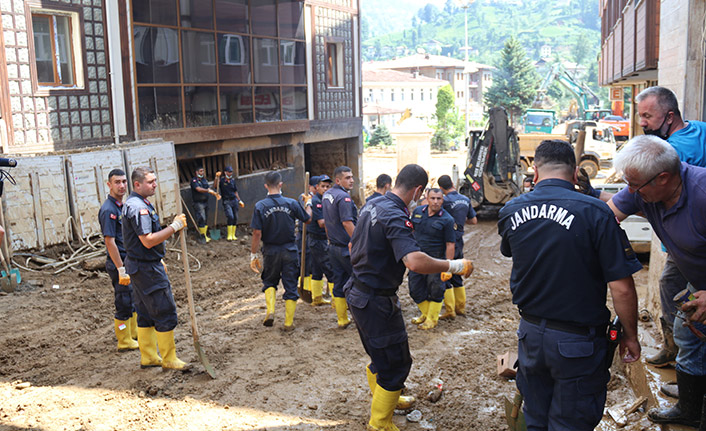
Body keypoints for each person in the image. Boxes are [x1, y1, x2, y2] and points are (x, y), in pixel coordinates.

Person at [498, 140, 642, 431]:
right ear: (576, 174)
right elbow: (622, 288)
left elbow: (511, 251)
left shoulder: (511, 210)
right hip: (577, 343)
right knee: (571, 423)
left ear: (534, 172)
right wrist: (630, 334)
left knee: (536, 419)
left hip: (530, 336)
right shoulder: (597, 213)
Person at [344, 164, 473, 431]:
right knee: (397, 363)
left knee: (379, 354)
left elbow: (351, 243)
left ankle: (388, 397)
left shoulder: (372, 205)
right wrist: (454, 266)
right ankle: (379, 422)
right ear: (417, 191)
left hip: (358, 292)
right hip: (376, 300)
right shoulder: (395, 215)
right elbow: (414, 261)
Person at [607, 135, 706, 428]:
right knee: (687, 333)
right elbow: (607, 216)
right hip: (696, 280)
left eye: (635, 185)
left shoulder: (702, 193)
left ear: (663, 178)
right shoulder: (642, 190)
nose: (631, 191)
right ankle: (689, 408)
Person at [634, 86, 706, 368]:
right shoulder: (699, 130)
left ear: (670, 116)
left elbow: (642, 201)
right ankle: (679, 348)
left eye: (648, 116)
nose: (643, 123)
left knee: (681, 295)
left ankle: (682, 352)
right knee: (671, 285)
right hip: (689, 237)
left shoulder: (670, 154)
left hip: (688, 240)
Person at [122, 167, 189, 370]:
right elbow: (148, 240)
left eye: (154, 180)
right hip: (146, 269)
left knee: (144, 312)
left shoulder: (137, 203)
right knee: (164, 309)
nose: (154, 184)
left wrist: (156, 258)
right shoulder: (138, 208)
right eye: (150, 181)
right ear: (137, 184)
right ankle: (169, 358)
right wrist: (174, 227)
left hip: (141, 265)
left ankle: (149, 356)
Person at [250, 171, 312, 331]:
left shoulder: (260, 206)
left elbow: (257, 233)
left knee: (270, 281)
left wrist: (253, 254)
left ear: (265, 186)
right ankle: (288, 323)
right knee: (291, 285)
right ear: (280, 184)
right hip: (290, 250)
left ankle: (270, 311)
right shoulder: (291, 203)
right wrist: (309, 203)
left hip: (270, 251)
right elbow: (308, 218)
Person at [98, 169, 138, 352]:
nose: (121, 186)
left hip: (128, 261)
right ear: (109, 185)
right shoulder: (109, 210)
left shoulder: (123, 206)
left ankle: (134, 332)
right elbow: (110, 241)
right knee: (123, 302)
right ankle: (123, 338)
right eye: (117, 182)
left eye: (123, 182)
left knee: (133, 298)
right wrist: (120, 268)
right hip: (118, 263)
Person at [408, 188, 456, 330]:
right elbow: (411, 232)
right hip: (418, 258)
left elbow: (450, 244)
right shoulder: (417, 212)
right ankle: (425, 313)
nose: (435, 201)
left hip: (436, 261)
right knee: (415, 289)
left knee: (435, 290)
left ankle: (432, 319)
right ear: (427, 198)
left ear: (443, 200)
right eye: (433, 198)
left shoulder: (447, 219)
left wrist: (449, 267)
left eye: (439, 199)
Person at [437, 174, 477, 320]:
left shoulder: (444, 201)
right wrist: (460, 222)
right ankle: (460, 308)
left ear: (441, 188)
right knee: (458, 271)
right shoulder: (465, 199)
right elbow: (474, 221)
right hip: (459, 240)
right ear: (453, 183)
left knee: (446, 273)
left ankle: (449, 310)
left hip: (446, 241)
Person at [322, 166, 357, 329]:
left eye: (351, 177)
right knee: (357, 283)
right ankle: (359, 317)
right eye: (347, 178)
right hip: (346, 248)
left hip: (333, 247)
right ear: (338, 180)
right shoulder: (344, 198)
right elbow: (347, 222)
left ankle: (342, 319)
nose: (351, 180)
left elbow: (328, 223)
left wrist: (330, 240)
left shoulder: (327, 195)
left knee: (339, 283)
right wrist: (360, 241)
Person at [308, 174, 334, 306]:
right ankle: (337, 300)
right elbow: (322, 223)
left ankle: (317, 298)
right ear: (316, 187)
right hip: (318, 240)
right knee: (330, 269)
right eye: (323, 186)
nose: (325, 189)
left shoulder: (324, 200)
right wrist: (337, 219)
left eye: (328, 186)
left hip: (317, 240)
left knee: (317, 269)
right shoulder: (317, 202)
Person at [190, 166, 220, 243]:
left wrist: (216, 178)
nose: (202, 173)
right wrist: (208, 191)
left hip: (205, 202)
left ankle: (205, 235)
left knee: (205, 219)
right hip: (198, 203)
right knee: (201, 218)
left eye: (203, 171)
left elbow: (212, 187)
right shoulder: (194, 180)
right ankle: (202, 236)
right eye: (200, 171)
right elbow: (198, 189)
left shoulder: (204, 180)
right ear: (196, 172)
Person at [219, 166, 244, 241]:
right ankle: (229, 234)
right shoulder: (222, 181)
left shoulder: (233, 181)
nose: (230, 173)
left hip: (234, 200)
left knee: (235, 217)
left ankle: (233, 234)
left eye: (231, 172)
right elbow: (215, 186)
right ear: (225, 172)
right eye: (229, 172)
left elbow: (235, 191)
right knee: (230, 216)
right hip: (227, 201)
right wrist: (216, 178)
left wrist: (239, 200)